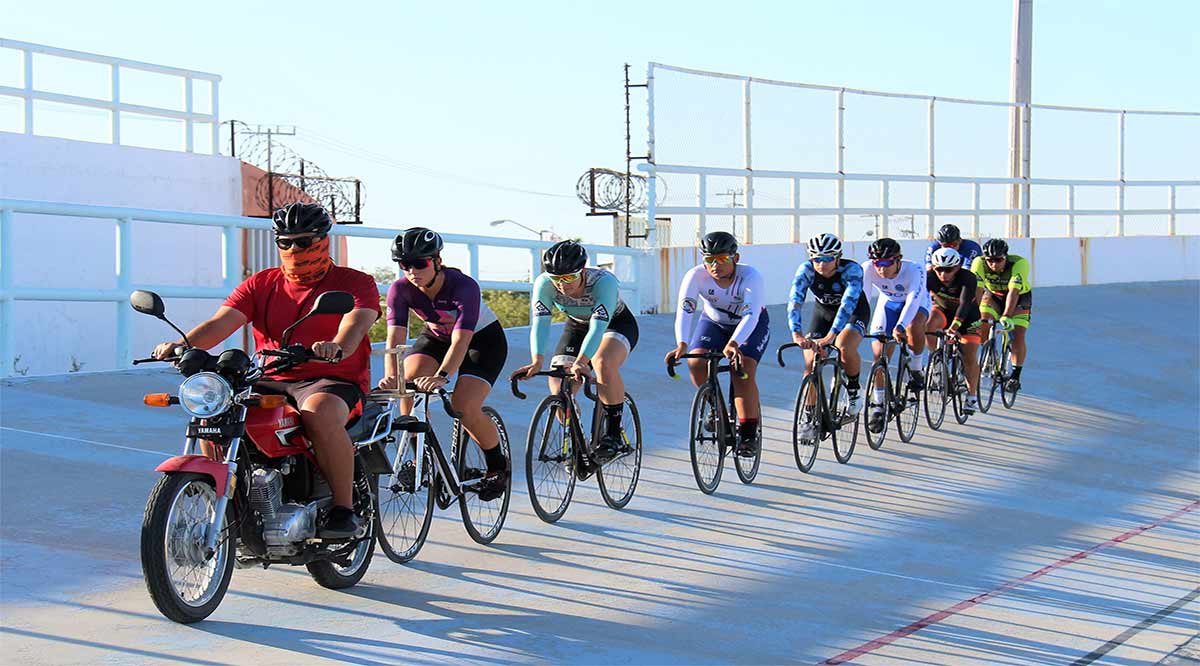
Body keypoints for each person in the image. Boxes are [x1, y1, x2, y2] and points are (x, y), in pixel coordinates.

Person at [152, 202, 380, 538]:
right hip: (269, 377)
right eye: (285, 242)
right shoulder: (261, 284)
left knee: (318, 412)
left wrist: (336, 347)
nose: (293, 249)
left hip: (331, 377)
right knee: (214, 415)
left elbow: (356, 324)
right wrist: (183, 345)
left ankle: (344, 510)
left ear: (322, 240)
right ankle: (235, 503)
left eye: (303, 242)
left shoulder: (355, 283)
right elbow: (221, 322)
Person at [379, 228, 508, 500]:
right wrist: (393, 375)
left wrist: (442, 376)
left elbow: (461, 341)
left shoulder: (463, 286)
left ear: (437, 261)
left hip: (481, 341)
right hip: (436, 336)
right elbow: (395, 337)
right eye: (405, 265)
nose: (412, 271)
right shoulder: (400, 289)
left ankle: (497, 467)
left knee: (463, 406)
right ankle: (420, 460)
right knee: (408, 386)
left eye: (420, 263)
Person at [515, 240, 639, 463]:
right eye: (556, 279)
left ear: (582, 271)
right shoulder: (544, 284)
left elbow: (599, 327)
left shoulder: (604, 282)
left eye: (569, 278)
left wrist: (582, 361)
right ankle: (578, 441)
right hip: (577, 326)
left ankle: (612, 434)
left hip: (615, 324)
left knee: (602, 362)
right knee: (558, 386)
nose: (562, 285)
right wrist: (536, 360)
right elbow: (541, 323)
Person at [665, 231, 770, 456]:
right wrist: (682, 343)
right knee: (696, 362)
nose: (715, 265)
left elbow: (751, 316)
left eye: (722, 259)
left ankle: (749, 434)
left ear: (736, 258)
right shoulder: (695, 276)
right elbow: (685, 312)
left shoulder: (751, 277)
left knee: (742, 369)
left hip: (750, 324)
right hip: (714, 322)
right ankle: (717, 411)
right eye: (709, 260)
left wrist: (734, 343)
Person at [786, 233, 869, 439]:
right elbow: (795, 301)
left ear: (838, 258)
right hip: (823, 313)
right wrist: (797, 333)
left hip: (853, 312)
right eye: (816, 259)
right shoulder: (805, 270)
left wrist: (831, 336)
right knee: (810, 363)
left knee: (844, 346)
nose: (821, 264)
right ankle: (809, 415)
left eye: (827, 258)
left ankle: (853, 390)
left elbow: (847, 304)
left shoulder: (852, 270)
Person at [861, 237, 932, 433]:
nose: (881, 269)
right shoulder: (867, 269)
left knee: (914, 325)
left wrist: (900, 326)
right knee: (879, 357)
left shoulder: (915, 270)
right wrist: (860, 324)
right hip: (888, 304)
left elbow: (912, 301)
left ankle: (916, 367)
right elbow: (864, 299)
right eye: (877, 263)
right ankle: (878, 404)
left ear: (898, 260)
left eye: (886, 263)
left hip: (916, 304)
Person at [970, 238, 1033, 393]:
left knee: (1017, 335)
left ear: (1006, 257)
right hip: (993, 295)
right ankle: (990, 353)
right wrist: (972, 313)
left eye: (998, 260)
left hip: (1018, 298)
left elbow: (1014, 292)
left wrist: (1006, 315)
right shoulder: (979, 262)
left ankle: (1015, 375)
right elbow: (977, 290)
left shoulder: (1019, 263)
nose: (993, 264)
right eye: (990, 260)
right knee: (981, 322)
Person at [926, 247, 983, 414]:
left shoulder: (968, 278)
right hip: (943, 310)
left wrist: (954, 328)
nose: (943, 274)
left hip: (968, 316)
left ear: (957, 268)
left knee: (969, 356)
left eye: (948, 270)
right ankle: (936, 360)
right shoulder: (929, 277)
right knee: (928, 325)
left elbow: (965, 303)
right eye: (939, 270)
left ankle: (972, 396)